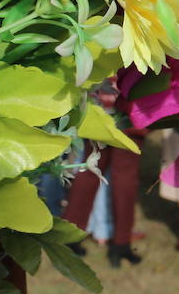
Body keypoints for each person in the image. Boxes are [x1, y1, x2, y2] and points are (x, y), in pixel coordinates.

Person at [62, 81, 149, 267]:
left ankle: (71, 235)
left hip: (99, 106)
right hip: (128, 108)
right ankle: (121, 244)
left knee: (89, 171)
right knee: (123, 178)